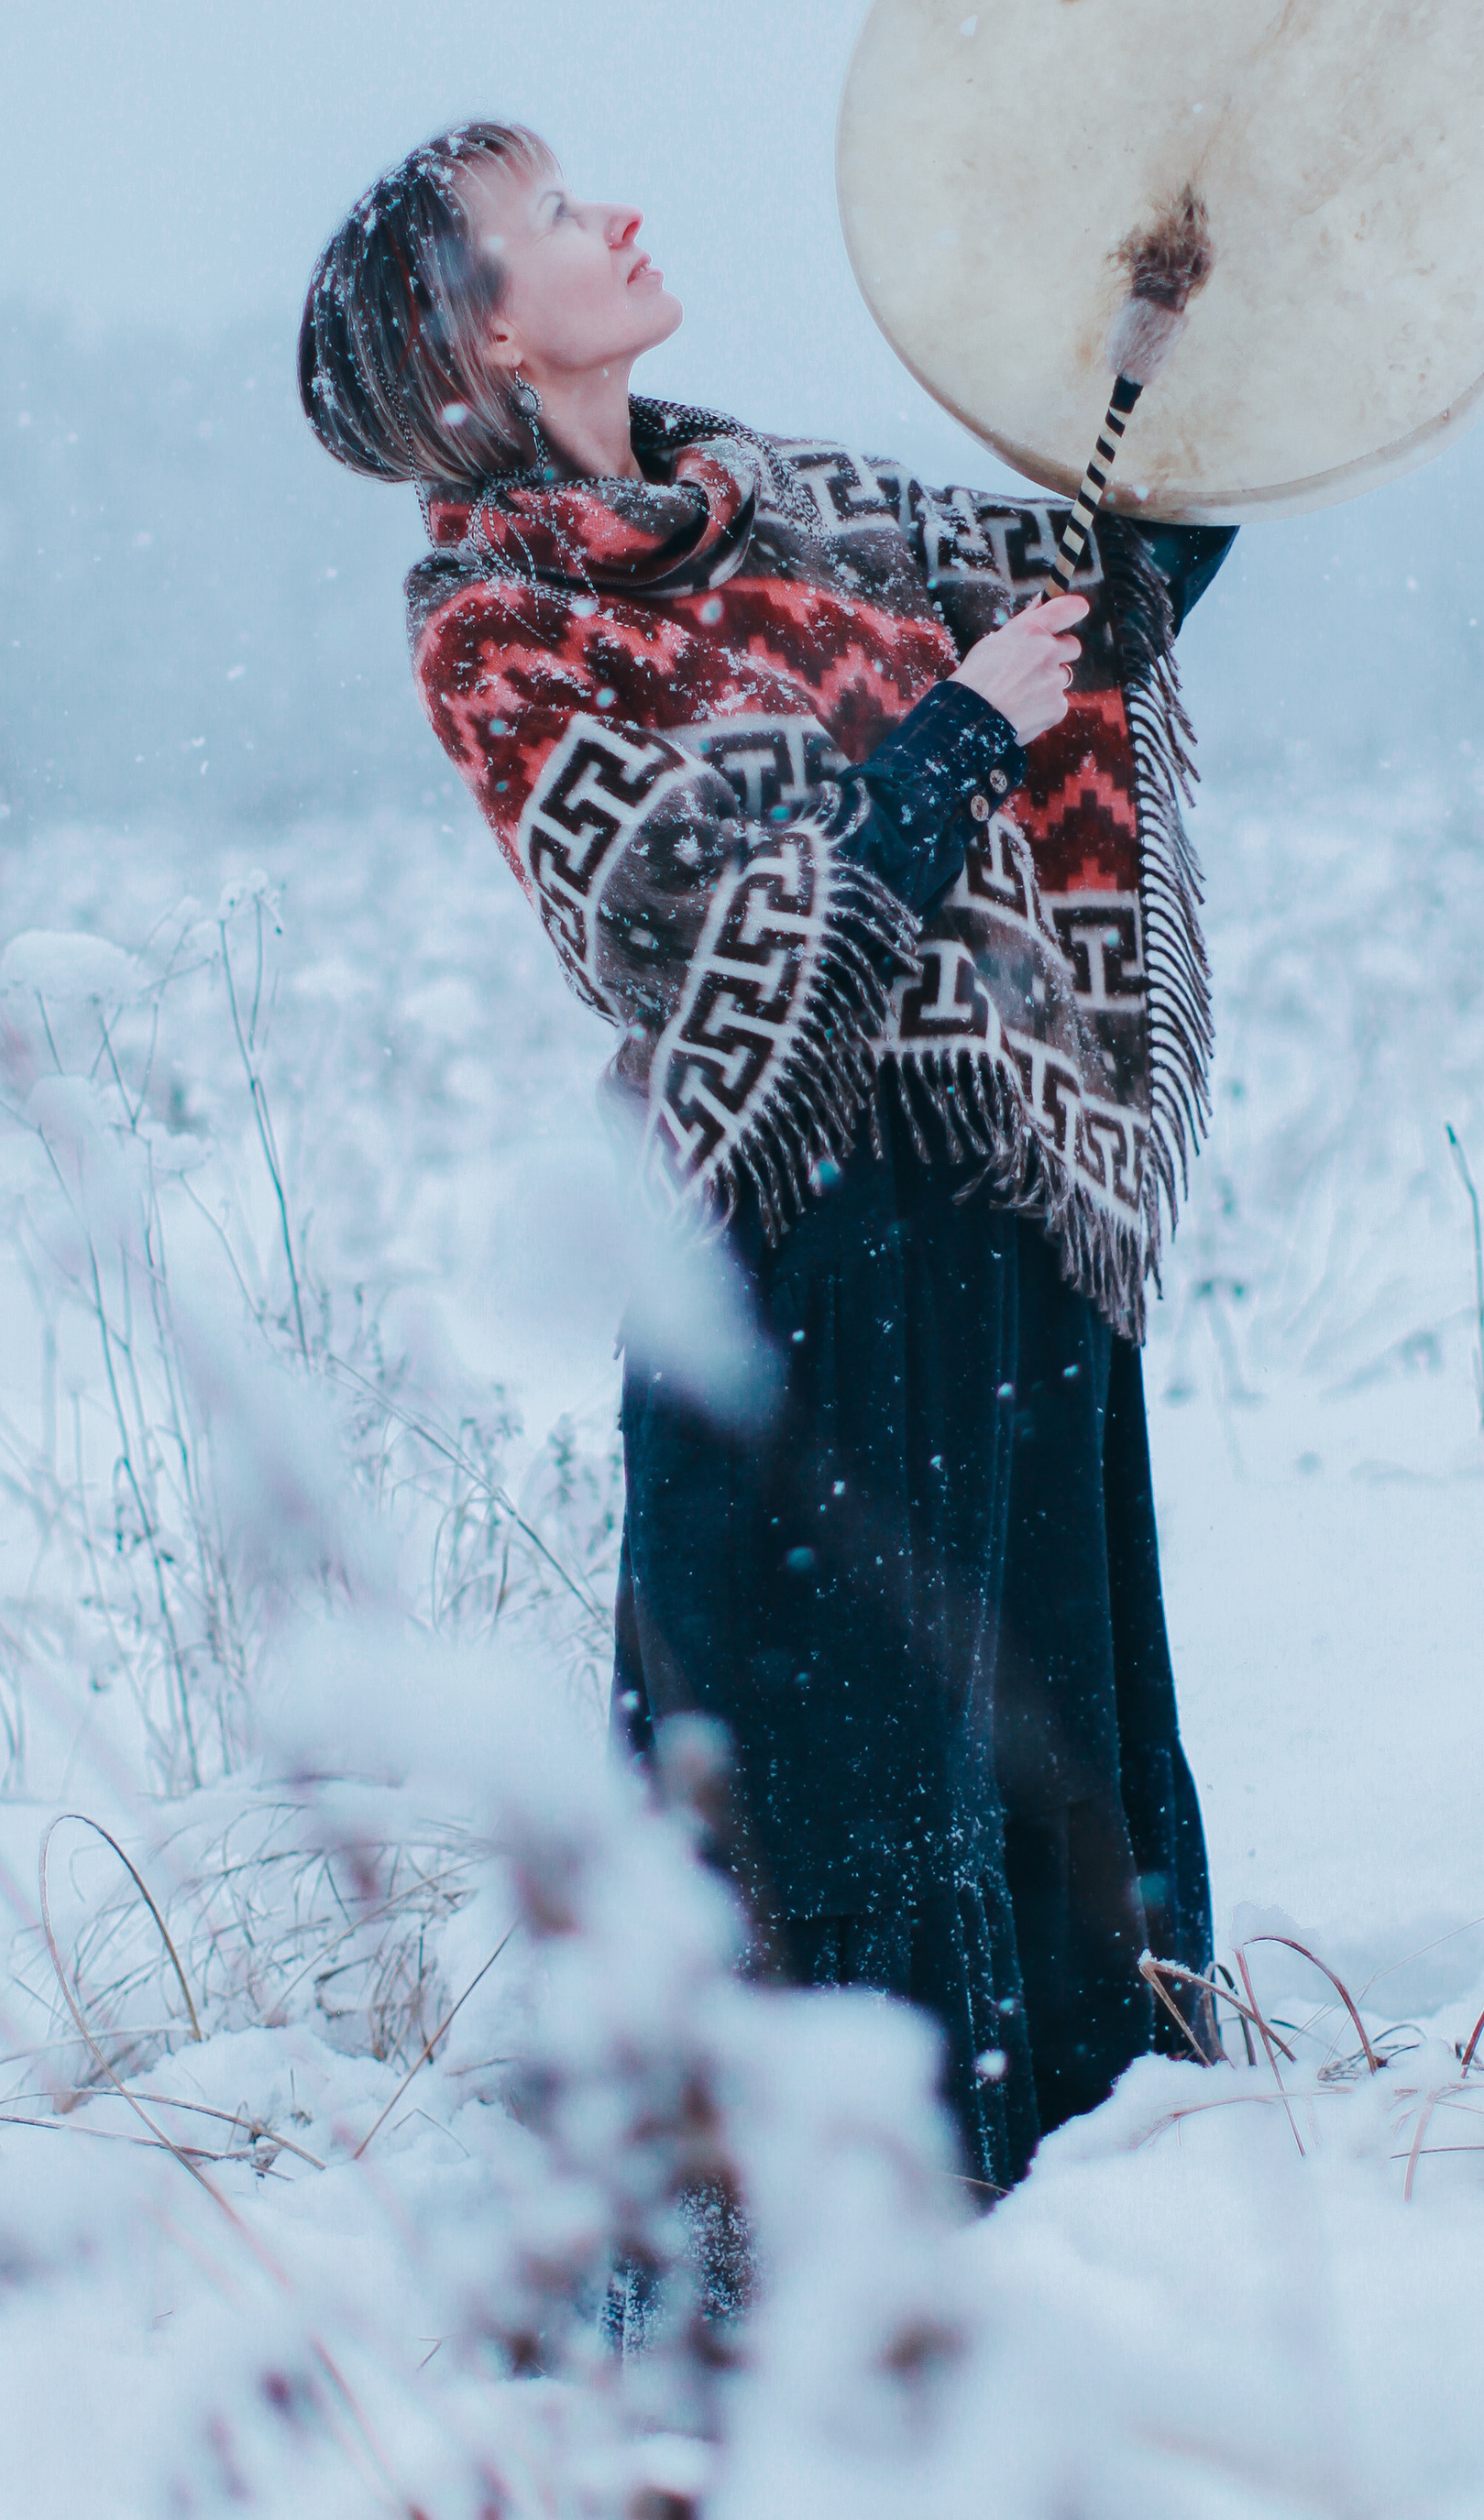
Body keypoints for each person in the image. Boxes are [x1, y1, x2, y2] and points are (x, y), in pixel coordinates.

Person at [298, 120, 1230, 2191]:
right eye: (546, 220)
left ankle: (1121, 2253)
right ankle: (812, 2306)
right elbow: (694, 930)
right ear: (473, 342)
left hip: (1004, 1207)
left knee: (1064, 1760)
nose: (613, 216)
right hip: (783, 1268)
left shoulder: (814, 513)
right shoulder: (496, 624)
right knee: (827, 1800)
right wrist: (956, 737)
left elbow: (1113, 596)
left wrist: (1186, 346)